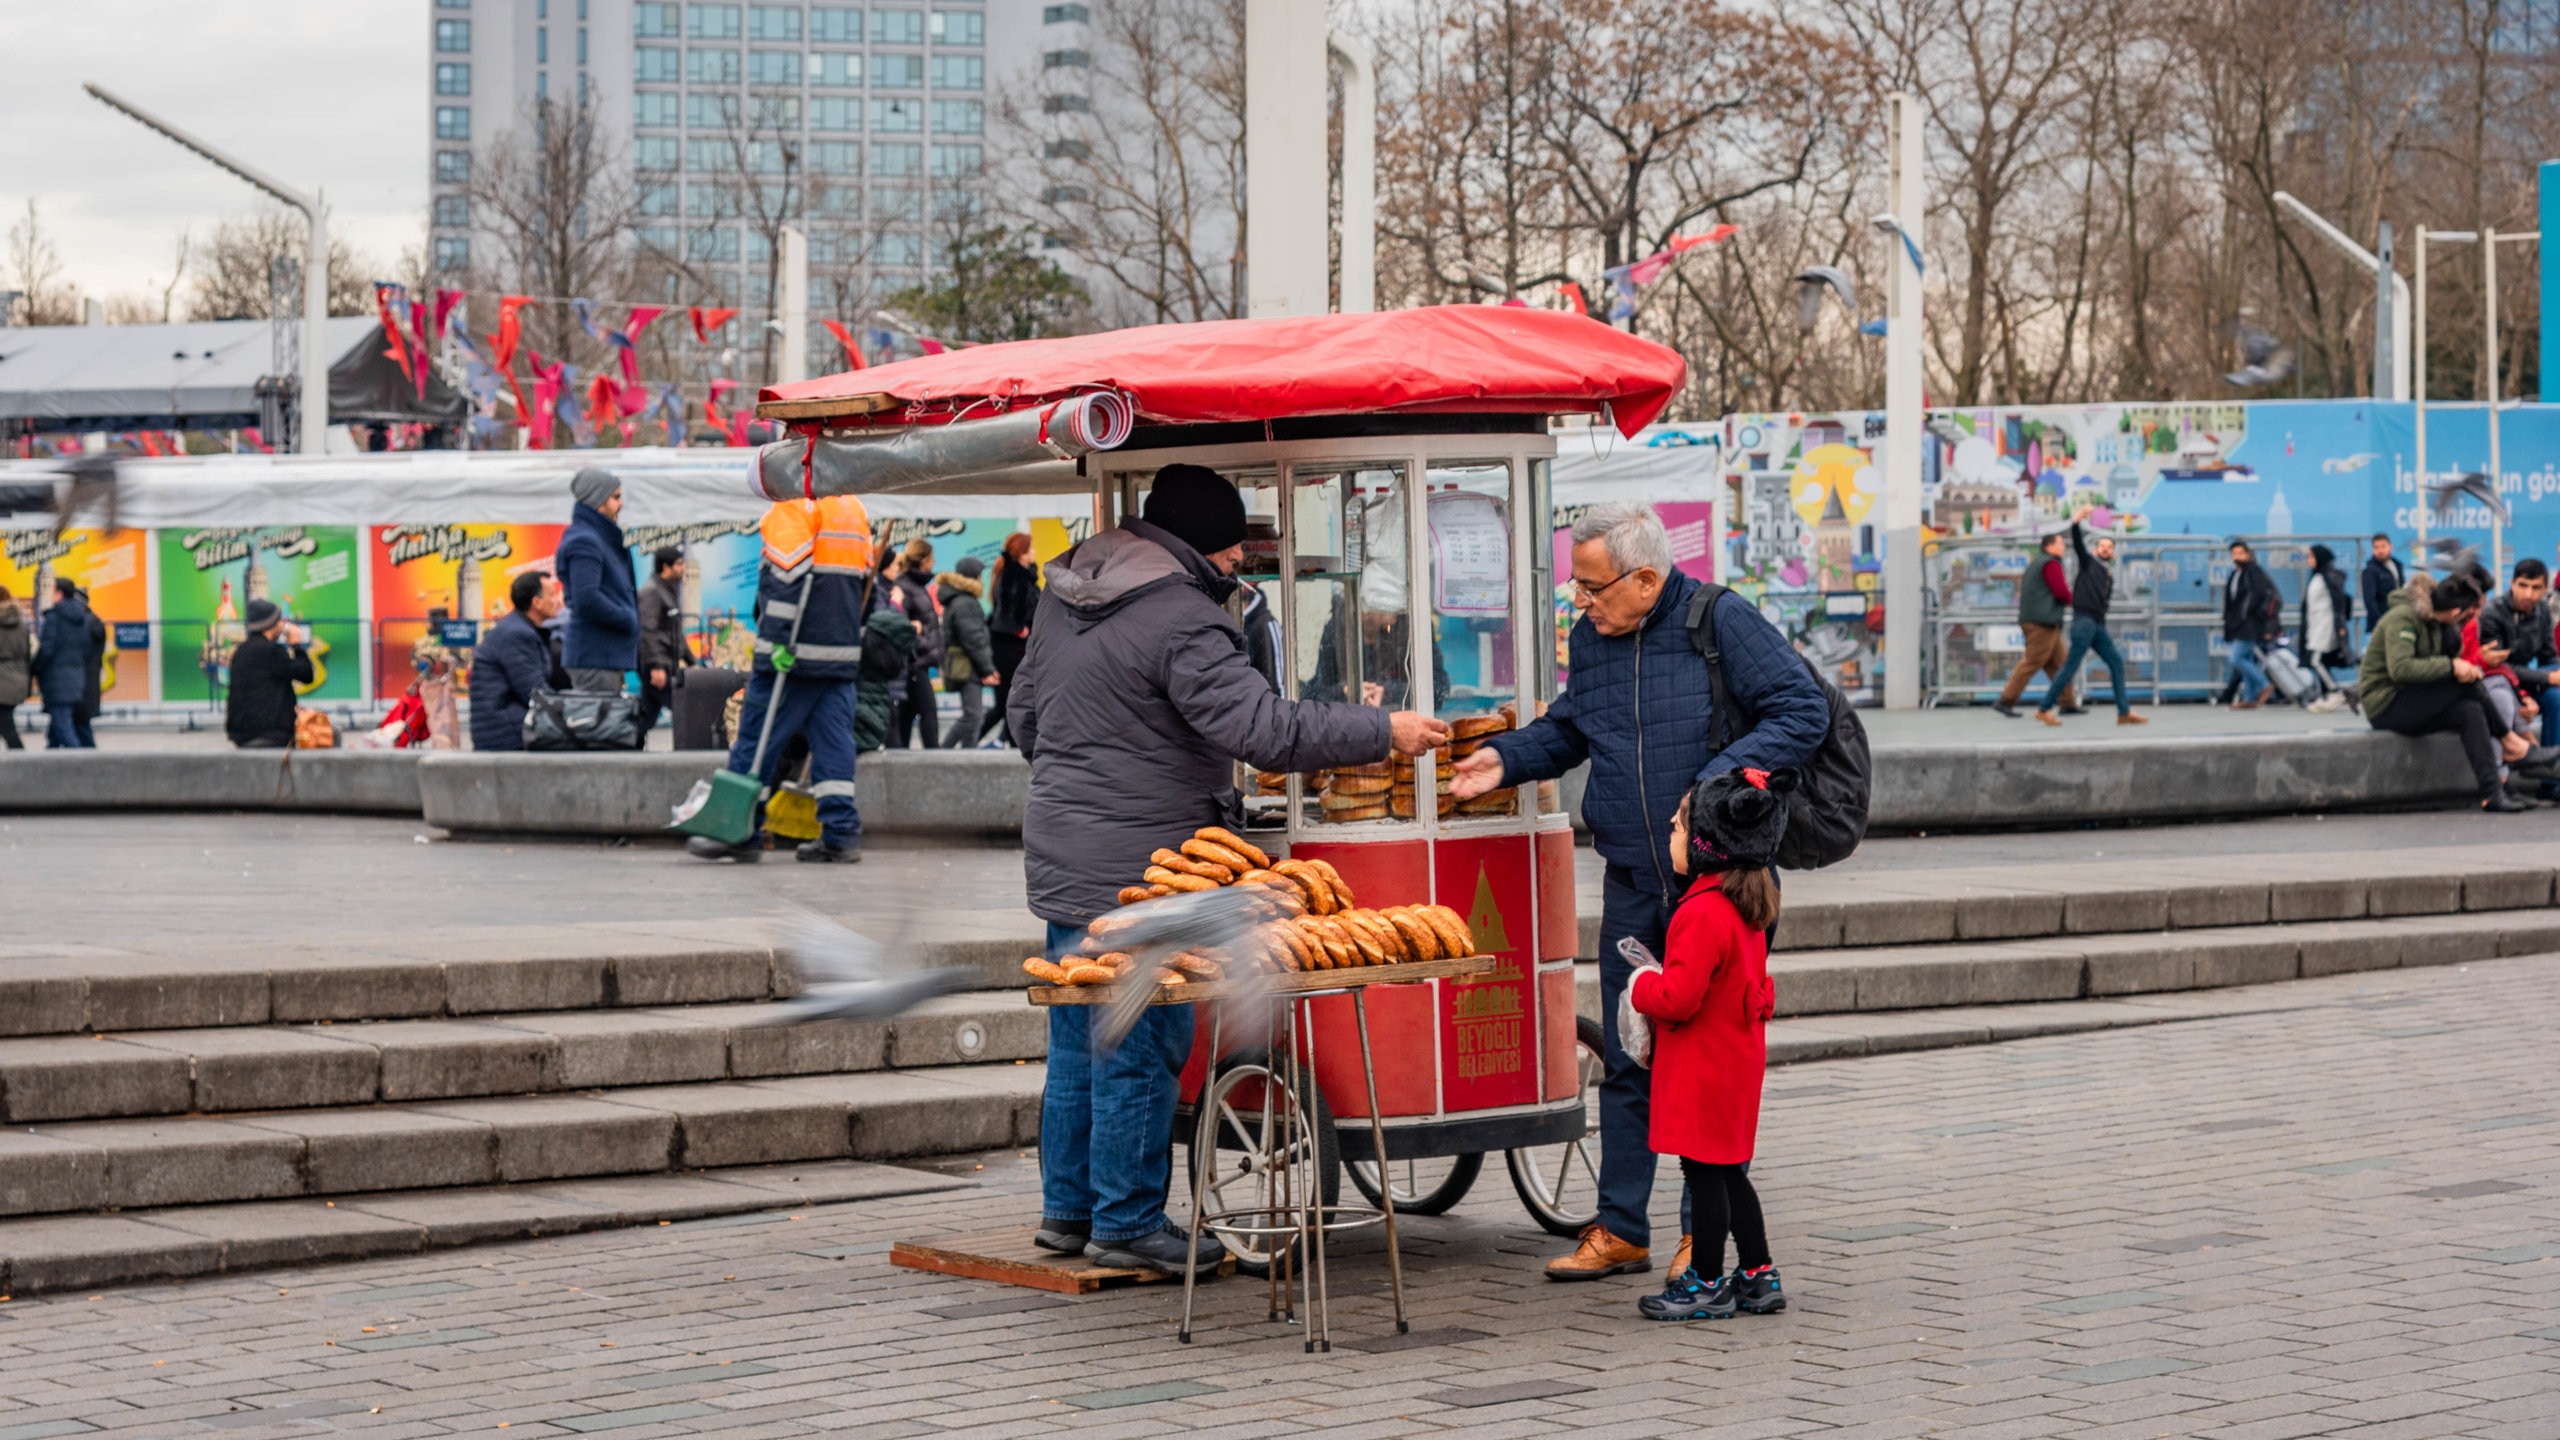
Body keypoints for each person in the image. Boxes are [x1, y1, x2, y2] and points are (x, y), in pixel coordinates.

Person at [1009, 462, 1447, 1274]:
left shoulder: (1066, 594)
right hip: (1146, 864)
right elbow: (1263, 730)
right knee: (1143, 1038)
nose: (1242, 563)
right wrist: (1383, 731)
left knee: (1077, 1035)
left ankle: (1066, 1213)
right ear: (1201, 547)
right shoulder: (1182, 615)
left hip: (1064, 848)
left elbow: (1024, 718)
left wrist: (1090, 779)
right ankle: (1128, 1220)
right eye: (1235, 550)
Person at [1448, 502, 1828, 1283]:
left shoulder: (1721, 621)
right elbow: (1573, 728)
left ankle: (1704, 1236)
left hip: (1720, 891)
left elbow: (1802, 711)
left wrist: (1713, 785)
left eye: (1592, 589)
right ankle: (1622, 1226)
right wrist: (1507, 759)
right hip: (1632, 881)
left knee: (1705, 1064)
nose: (1581, 605)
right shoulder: (1594, 640)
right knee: (1629, 1050)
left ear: (1646, 578)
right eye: (1576, 589)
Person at [1627, 770, 1787, 1322]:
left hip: (1702, 1066)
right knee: (1728, 1170)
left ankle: (1706, 1281)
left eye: (1676, 827)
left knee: (1702, 1172)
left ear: (1703, 842)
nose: (1670, 835)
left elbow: (1679, 997)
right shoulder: (1748, 905)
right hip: (1736, 1061)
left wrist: (1640, 985)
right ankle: (1758, 1272)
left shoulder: (1699, 912)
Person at [686, 494, 876, 864]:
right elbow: (864, 584)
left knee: (755, 740)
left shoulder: (793, 506)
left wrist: (774, 643)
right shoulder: (852, 507)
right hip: (839, 655)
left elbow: (786, 580)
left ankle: (739, 829)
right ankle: (840, 834)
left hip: (791, 657)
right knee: (834, 742)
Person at [2360, 572, 2544, 813]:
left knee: (2470, 711)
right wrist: (2451, 666)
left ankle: (2493, 794)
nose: (2475, 617)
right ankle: (2511, 742)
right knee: (2463, 682)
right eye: (2471, 612)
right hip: (2385, 704)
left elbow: (2445, 661)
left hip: (2414, 698)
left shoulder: (2439, 624)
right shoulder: (2402, 619)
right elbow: (2400, 669)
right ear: (2456, 613)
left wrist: (2455, 654)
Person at [2037, 521, 2147, 726]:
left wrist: (2101, 625)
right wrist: (2076, 522)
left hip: (2097, 625)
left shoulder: (2107, 574)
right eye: (2101, 546)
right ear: (2096, 550)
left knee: (2116, 663)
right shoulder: (2088, 563)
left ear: (2113, 553)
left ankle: (2124, 712)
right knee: (2070, 668)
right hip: (2083, 622)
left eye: (2109, 547)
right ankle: (2044, 708)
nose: (2105, 549)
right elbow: (2078, 544)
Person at [558, 467, 639, 696]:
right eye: (615, 497)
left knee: (604, 726)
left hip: (601, 655)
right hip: (594, 656)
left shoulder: (593, 537)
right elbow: (587, 599)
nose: (620, 504)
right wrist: (627, 618)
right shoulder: (585, 540)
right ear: (597, 500)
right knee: (598, 728)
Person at [468, 572, 569, 752]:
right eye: (552, 595)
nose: (557, 601)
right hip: (505, 734)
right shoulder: (517, 634)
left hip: (506, 727)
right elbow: (535, 693)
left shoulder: (519, 628)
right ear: (536, 602)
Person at [1994, 526, 2075, 717]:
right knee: (2032, 662)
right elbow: (2060, 591)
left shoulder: (2037, 563)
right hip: (2042, 622)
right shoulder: (2051, 564)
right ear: (2049, 546)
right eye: (2060, 543)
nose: (2063, 547)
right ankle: (2006, 699)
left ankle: (2068, 702)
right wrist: (2079, 602)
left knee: (2059, 664)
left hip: (2039, 620)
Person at [224, 599, 315, 748]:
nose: (282, 625)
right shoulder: (272, 651)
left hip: (240, 735)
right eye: (279, 620)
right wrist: (297, 646)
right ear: (271, 624)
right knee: (332, 735)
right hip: (271, 734)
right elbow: (306, 675)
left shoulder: (240, 652)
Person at [982, 530, 1039, 745]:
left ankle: (1006, 741)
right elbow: (1005, 612)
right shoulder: (1013, 576)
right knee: (1010, 702)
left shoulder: (1020, 574)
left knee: (1009, 703)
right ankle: (1010, 743)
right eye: (1030, 548)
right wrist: (1020, 629)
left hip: (1015, 648)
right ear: (1022, 553)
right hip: (1010, 649)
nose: (1033, 552)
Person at [635, 545, 691, 747]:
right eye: (679, 564)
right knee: (686, 710)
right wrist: (657, 666)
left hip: (665, 663)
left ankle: (627, 745)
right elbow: (647, 631)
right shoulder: (651, 592)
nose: (683, 568)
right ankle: (691, 754)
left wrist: (691, 662)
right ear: (665, 568)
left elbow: (675, 632)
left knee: (647, 714)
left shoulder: (668, 590)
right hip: (658, 666)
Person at [889, 538, 943, 748]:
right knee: (928, 712)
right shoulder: (905, 586)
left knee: (907, 714)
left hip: (918, 660)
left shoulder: (917, 586)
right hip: (914, 662)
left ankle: (901, 761)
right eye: (932, 558)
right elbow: (902, 626)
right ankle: (934, 758)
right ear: (925, 561)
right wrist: (922, 645)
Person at [938, 556, 996, 748]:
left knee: (974, 717)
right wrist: (987, 669)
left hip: (963, 663)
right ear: (975, 577)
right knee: (973, 715)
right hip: (967, 664)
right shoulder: (965, 602)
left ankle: (968, 757)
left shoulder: (957, 599)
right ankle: (943, 753)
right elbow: (973, 639)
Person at [2221, 541, 2282, 708]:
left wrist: (2246, 615)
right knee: (2246, 657)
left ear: (2248, 554)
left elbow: (2257, 596)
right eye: (2234, 554)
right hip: (2238, 624)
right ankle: (2249, 697)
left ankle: (2264, 685)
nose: (2237, 557)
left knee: (2236, 657)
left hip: (2250, 624)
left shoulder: (2254, 572)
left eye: (2241, 553)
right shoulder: (2235, 574)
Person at [34, 577, 92, 749]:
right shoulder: (81, 619)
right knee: (55, 732)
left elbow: (47, 649)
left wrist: (35, 668)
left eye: (52, 590)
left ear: (59, 594)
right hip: (75, 679)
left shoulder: (54, 618)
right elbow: (86, 649)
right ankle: (47, 768)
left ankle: (84, 769)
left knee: (64, 729)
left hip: (57, 680)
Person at [2300, 544, 2354, 711]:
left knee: (2316, 660)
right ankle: (2325, 696)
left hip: (2326, 626)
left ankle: (2335, 691)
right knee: (2322, 660)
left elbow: (2340, 602)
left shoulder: (2329, 577)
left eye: (2311, 556)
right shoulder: (2316, 577)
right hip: (2315, 625)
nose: (2308, 560)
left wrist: (2340, 626)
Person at [0, 582, 30, 750]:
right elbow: (26, 653)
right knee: (5, 720)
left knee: (6, 725)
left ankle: (21, 761)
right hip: (17, 679)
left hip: (2, 679)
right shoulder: (22, 625)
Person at [2360, 533, 2405, 642]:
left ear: (2390, 546)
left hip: (2397, 619)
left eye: (2383, 546)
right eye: (2376, 547)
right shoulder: (2370, 571)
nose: (2380, 551)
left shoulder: (2397, 565)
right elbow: (2370, 600)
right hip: (2380, 624)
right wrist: (2381, 622)